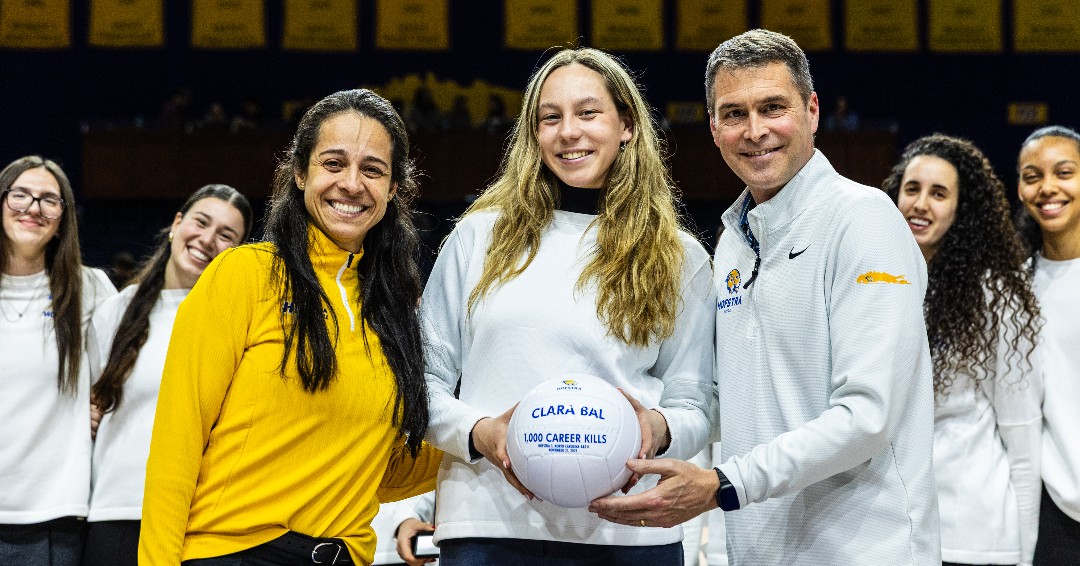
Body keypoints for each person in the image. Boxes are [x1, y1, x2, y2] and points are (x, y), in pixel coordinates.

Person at [590, 29, 940, 565]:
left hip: (865, 550)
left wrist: (722, 483)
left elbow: (868, 415)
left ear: (812, 110)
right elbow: (748, 400)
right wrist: (657, 426)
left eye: (773, 108)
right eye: (733, 114)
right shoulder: (732, 242)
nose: (755, 132)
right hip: (760, 549)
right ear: (712, 128)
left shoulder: (863, 221)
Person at [421, 47, 715, 565]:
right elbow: (422, 380)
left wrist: (657, 428)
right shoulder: (477, 239)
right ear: (533, 135)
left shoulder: (678, 256)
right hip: (490, 523)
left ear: (626, 124)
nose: (568, 132)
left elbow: (697, 402)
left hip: (629, 529)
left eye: (588, 112)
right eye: (550, 117)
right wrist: (479, 433)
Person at [138, 88, 442, 565]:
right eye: (334, 163)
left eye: (373, 170)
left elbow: (377, 470)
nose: (352, 184)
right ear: (300, 173)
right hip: (231, 553)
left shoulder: (393, 312)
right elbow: (177, 442)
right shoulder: (243, 275)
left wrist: (482, 438)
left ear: (394, 189)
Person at [884, 134, 1042, 566]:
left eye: (939, 193)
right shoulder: (871, 286)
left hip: (974, 533)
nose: (920, 204)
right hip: (892, 529)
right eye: (912, 188)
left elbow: (1022, 433)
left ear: (961, 208)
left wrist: (1027, 554)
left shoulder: (996, 293)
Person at [81, 184, 253, 566]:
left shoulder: (238, 323)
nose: (207, 240)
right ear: (177, 223)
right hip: (117, 512)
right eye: (201, 222)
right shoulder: (117, 311)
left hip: (199, 522)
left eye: (226, 235)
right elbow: (87, 399)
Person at [0, 155, 117, 564]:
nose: (33, 208)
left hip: (53, 514)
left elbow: (125, 372)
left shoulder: (89, 287)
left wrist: (102, 405)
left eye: (49, 200)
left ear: (63, 218)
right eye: (20, 195)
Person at [1015, 125, 1080, 565]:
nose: (1048, 187)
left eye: (1064, 172)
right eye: (1032, 175)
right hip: (1054, 509)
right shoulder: (1013, 286)